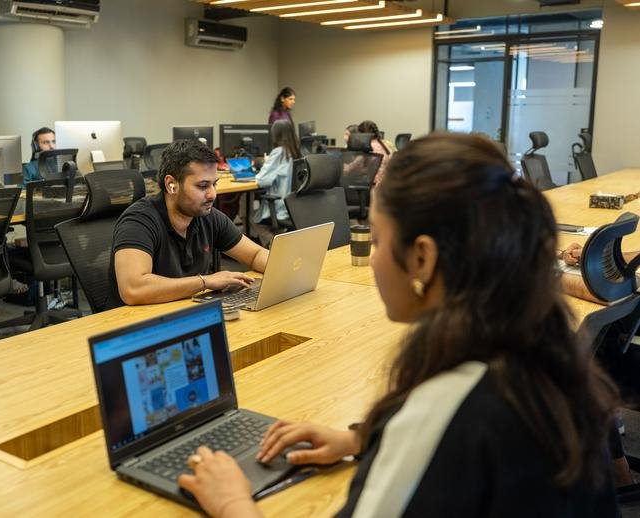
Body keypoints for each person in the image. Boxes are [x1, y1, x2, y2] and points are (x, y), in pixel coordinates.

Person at [176, 133, 619, 517]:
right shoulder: (537, 347)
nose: (371, 257)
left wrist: (234, 502)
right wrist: (362, 439)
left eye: (378, 237)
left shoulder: (452, 405)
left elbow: (444, 429)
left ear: (422, 257)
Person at [110, 139, 269, 307]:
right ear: (171, 185)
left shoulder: (208, 216)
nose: (212, 195)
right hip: (137, 324)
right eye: (202, 186)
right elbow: (133, 289)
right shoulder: (139, 221)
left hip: (184, 310)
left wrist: (289, 270)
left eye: (214, 184)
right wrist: (205, 282)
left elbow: (255, 255)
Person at [252, 120, 300, 225]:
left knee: (251, 220)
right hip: (294, 208)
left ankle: (273, 241)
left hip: (279, 209)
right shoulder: (296, 151)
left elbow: (261, 181)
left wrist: (260, 169)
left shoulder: (279, 153)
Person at [357, 120, 395, 184]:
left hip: (374, 183)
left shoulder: (369, 146)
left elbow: (357, 165)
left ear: (363, 135)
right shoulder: (386, 143)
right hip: (387, 181)